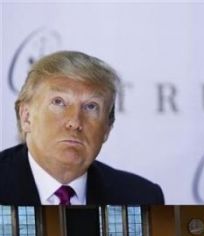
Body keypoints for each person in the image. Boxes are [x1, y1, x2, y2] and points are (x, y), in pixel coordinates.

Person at [1, 51, 163, 205]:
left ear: (107, 128)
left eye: (91, 106)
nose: (75, 122)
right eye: (59, 102)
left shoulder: (141, 197)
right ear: (26, 117)